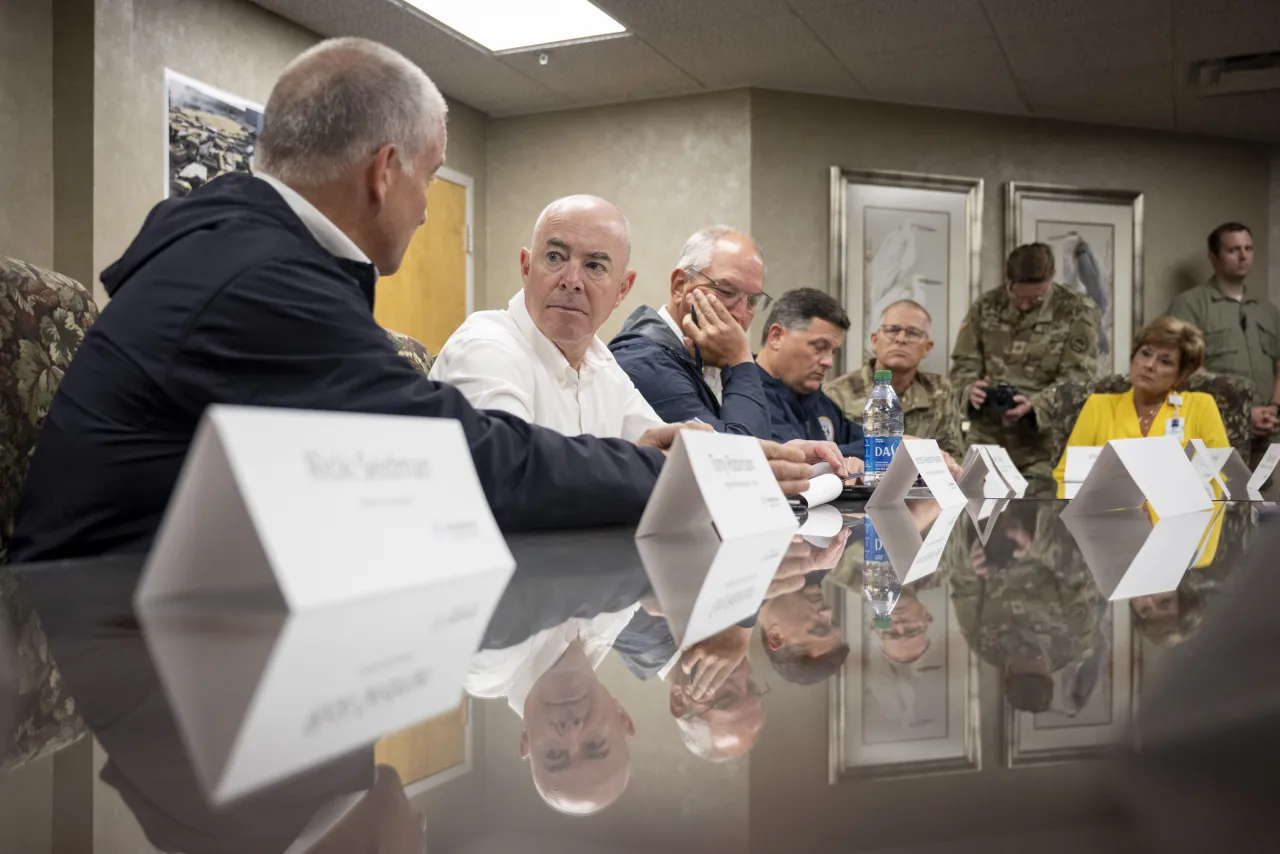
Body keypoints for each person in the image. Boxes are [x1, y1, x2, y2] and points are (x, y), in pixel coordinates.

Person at [8, 38, 813, 563]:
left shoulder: (244, 252)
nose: (429, 207)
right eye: (429, 176)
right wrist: (662, 474)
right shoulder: (256, 279)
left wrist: (656, 458)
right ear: (383, 171)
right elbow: (449, 459)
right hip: (90, 631)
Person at [430, 195, 664, 442]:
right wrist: (633, 461)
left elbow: (663, 449)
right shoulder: (484, 347)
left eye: (594, 266)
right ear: (526, 268)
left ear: (622, 289)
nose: (571, 281)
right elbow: (513, 468)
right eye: (555, 257)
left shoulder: (603, 365)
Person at [951, 243, 1101, 494]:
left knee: (1037, 521)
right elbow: (963, 365)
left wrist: (1036, 406)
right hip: (987, 438)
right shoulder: (986, 306)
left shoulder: (1077, 311)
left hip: (1043, 445)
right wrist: (970, 390)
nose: (1024, 305)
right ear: (1007, 280)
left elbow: (1078, 380)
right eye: (1018, 297)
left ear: (1051, 280)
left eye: (1036, 298)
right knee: (976, 518)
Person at [465, 611, 638, 816]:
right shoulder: (615, 619)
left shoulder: (485, 665)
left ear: (525, 738)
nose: (571, 731)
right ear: (621, 717)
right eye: (594, 744)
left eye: (554, 754)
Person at [609, 226, 774, 437]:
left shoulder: (716, 357)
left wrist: (785, 451)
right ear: (680, 286)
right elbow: (737, 462)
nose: (741, 314)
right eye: (726, 291)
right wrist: (740, 361)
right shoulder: (643, 360)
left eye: (752, 301)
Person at [1052, 317, 1228, 495]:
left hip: (1182, 519)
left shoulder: (1200, 407)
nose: (1150, 365)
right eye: (1145, 353)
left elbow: (1220, 479)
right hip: (1108, 517)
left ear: (1181, 375)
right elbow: (1066, 476)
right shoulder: (1098, 406)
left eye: (1165, 361)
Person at [1166, 222, 1280, 466]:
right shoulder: (1190, 305)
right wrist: (1242, 412)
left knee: (1267, 503)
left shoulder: (1268, 311)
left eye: (1248, 248)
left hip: (1269, 436)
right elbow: (1184, 370)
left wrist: (1274, 408)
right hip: (1218, 430)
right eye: (1233, 250)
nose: (1243, 256)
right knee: (1223, 500)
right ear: (1214, 258)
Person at [825, 299, 965, 459]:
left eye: (912, 333)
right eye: (892, 330)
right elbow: (829, 455)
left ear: (927, 347)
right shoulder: (837, 393)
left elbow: (953, 457)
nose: (901, 339)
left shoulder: (941, 392)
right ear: (874, 340)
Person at [753, 288, 867, 465]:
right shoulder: (745, 396)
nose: (828, 362)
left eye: (833, 351)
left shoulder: (819, 401)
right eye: (819, 346)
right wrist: (843, 458)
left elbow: (867, 441)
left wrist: (896, 443)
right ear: (777, 336)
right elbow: (795, 457)